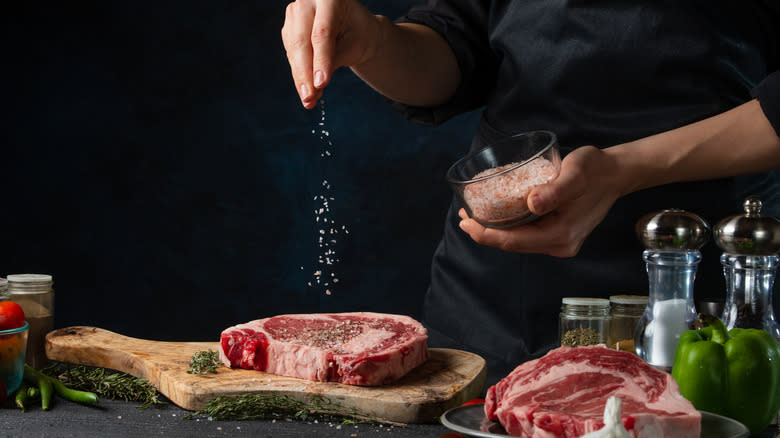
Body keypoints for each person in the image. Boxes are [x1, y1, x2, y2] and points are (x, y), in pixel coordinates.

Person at [282, 0, 780, 385]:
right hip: (499, 299)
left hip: (708, 282)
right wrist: (374, 41)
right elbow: (458, 41)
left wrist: (622, 169)